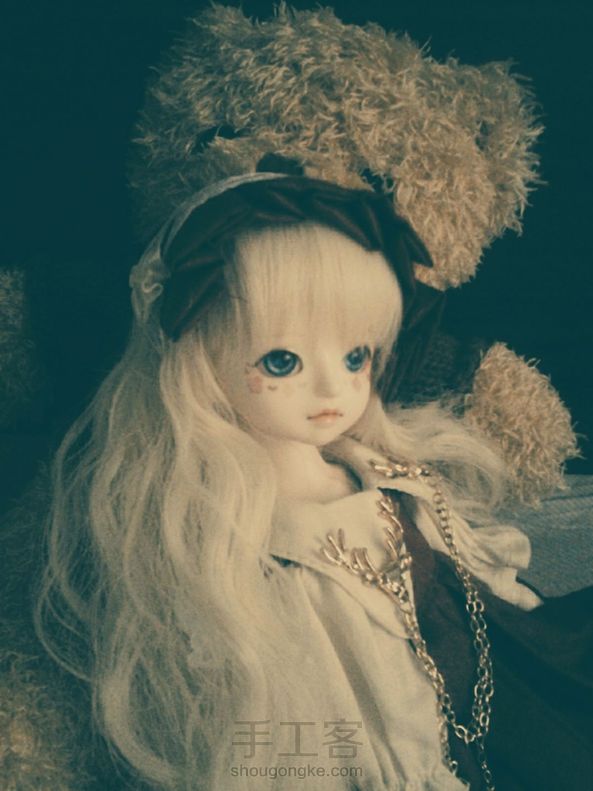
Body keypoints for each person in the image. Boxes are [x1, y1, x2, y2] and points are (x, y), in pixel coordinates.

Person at [36, 173, 593, 791]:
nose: (334, 389)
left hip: (498, 677)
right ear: (199, 361)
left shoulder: (373, 467)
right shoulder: (255, 546)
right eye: (282, 362)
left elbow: (475, 576)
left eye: (357, 357)